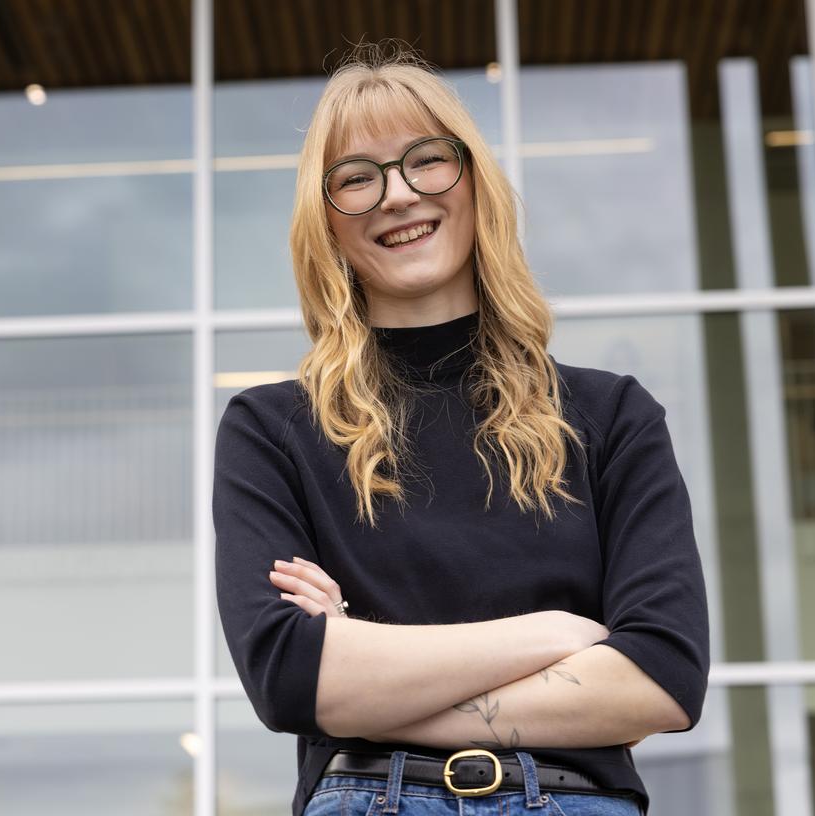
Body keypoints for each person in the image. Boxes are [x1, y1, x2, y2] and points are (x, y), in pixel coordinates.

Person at [212, 44, 709, 816]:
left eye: (426, 161)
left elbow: (663, 674)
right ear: (327, 222)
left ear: (474, 181)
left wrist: (364, 674)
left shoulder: (612, 418)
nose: (397, 195)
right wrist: (558, 632)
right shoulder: (272, 430)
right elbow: (287, 675)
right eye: (356, 178)